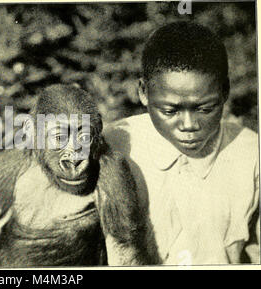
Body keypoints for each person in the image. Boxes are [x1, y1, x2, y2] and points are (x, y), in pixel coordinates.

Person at [104, 21, 259, 265]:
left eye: (205, 108)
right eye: (170, 110)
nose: (189, 124)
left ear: (225, 91)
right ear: (144, 92)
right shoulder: (113, 148)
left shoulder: (252, 154)